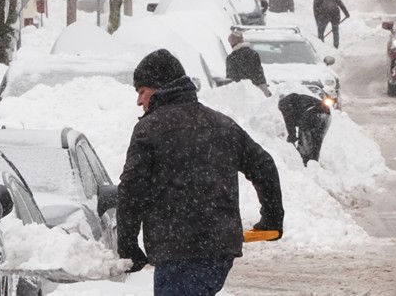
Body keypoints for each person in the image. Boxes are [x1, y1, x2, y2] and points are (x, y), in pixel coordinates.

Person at [117, 49, 285, 296]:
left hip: (177, 252)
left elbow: (131, 191)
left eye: (141, 92)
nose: (139, 101)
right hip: (219, 251)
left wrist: (128, 245)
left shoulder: (149, 130)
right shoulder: (222, 124)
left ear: (159, 88)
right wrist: (272, 218)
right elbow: (264, 166)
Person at [278, 92, 331, 166]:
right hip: (327, 115)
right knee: (317, 141)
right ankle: (314, 164)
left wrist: (292, 136)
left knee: (304, 142)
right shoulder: (298, 99)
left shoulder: (284, 104)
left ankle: (304, 164)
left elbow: (289, 121)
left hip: (312, 114)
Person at [226, 32, 272, 97]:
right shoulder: (254, 54)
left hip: (243, 92)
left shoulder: (232, 58)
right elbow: (259, 72)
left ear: (232, 43)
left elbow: (232, 77)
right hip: (259, 88)